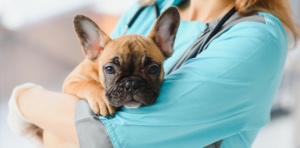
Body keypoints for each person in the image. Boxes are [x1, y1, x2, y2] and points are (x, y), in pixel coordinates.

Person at [7, 0, 299, 147]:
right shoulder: (146, 10)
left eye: (150, 68)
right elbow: (82, 78)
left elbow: (106, 134)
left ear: (166, 42)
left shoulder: (255, 37)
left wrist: (25, 100)